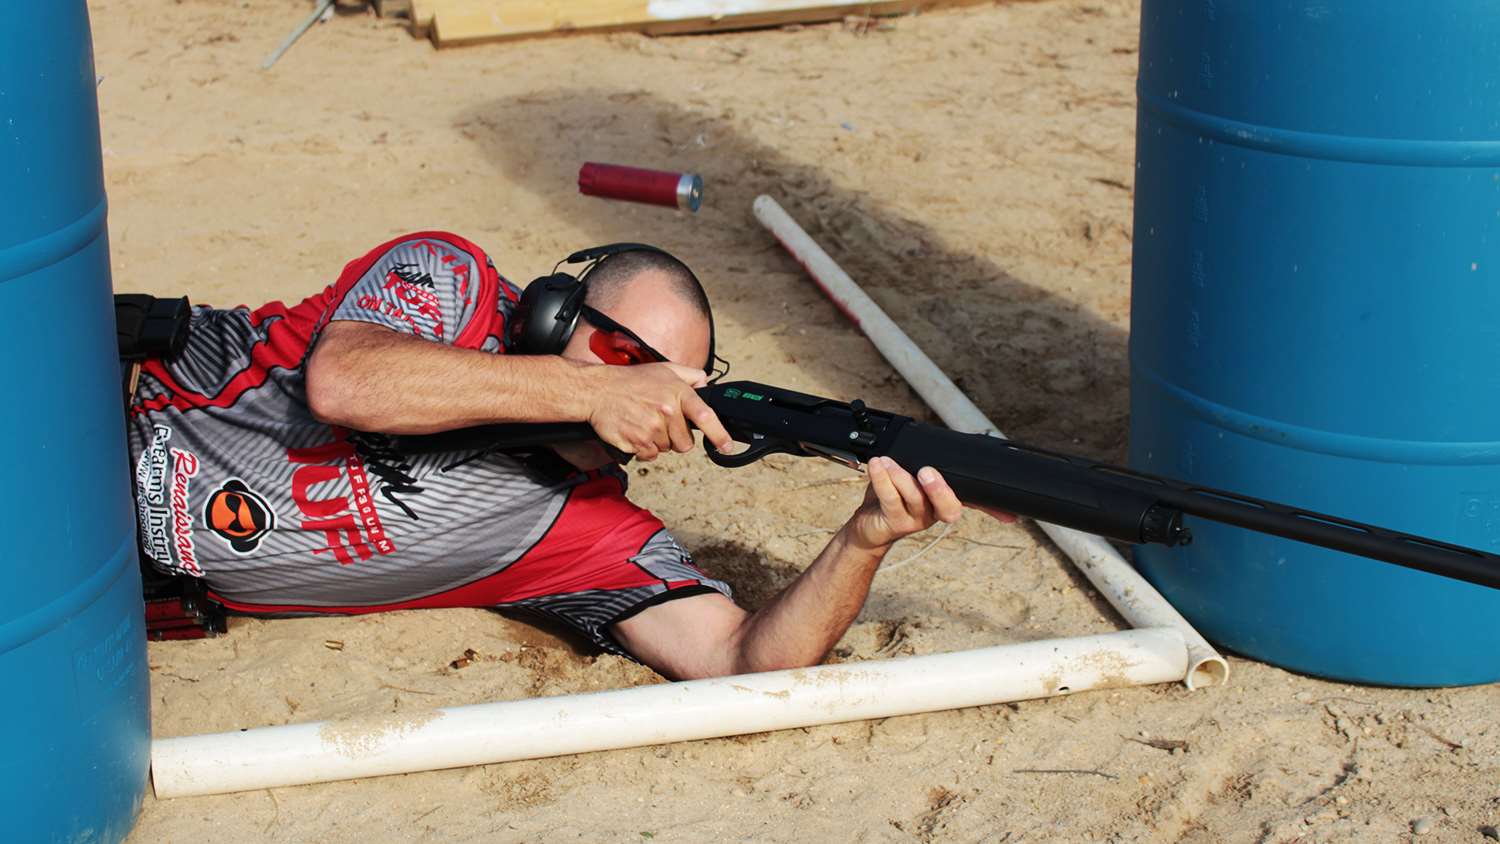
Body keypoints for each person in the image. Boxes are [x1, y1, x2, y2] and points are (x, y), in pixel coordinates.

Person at [128, 231, 1004, 680]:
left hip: (101, 583)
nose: (641, 389)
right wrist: (587, 391)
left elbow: (737, 661)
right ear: (553, 315)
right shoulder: (451, 282)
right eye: (624, 356)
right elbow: (348, 384)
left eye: (669, 381)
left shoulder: (589, 537)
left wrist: (863, 541)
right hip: (87, 409)